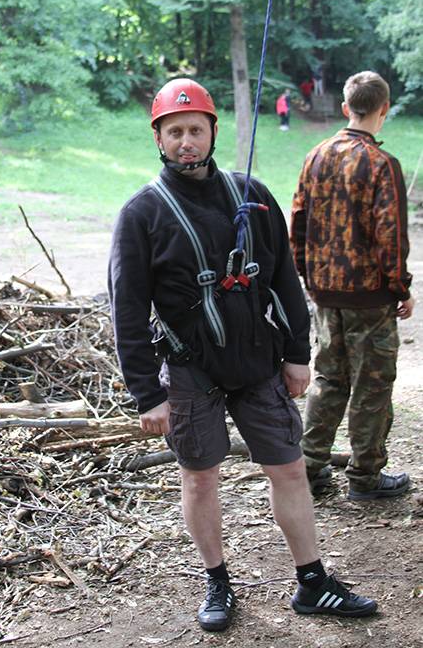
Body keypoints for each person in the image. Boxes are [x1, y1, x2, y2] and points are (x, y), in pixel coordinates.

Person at [108, 77, 377, 632]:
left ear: (212, 132)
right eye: (175, 132)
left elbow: (283, 278)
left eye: (196, 130)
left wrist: (297, 353)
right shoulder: (142, 215)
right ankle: (218, 582)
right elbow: (127, 312)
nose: (187, 142)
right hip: (190, 369)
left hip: (258, 361)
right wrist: (147, 394)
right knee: (200, 478)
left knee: (291, 469)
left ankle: (312, 582)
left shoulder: (251, 194)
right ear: (158, 138)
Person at [290, 71, 414, 501]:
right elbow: (390, 235)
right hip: (370, 297)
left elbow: (298, 222)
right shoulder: (382, 164)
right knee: (372, 385)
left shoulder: (316, 156)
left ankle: (310, 468)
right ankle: (365, 477)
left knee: (328, 378)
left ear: (346, 108)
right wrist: (400, 288)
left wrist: (309, 278)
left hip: (325, 293)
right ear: (384, 109)